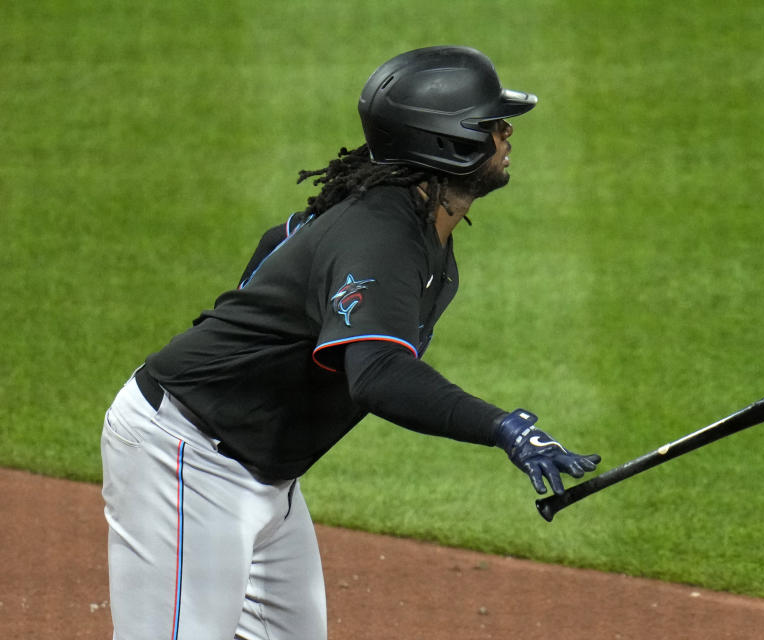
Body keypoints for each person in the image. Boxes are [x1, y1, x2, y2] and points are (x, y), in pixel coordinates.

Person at [100, 45, 602, 640]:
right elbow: (379, 374)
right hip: (187, 456)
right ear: (451, 143)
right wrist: (502, 427)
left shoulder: (405, 224)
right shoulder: (383, 234)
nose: (506, 132)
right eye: (490, 124)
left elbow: (281, 239)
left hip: (263, 470)